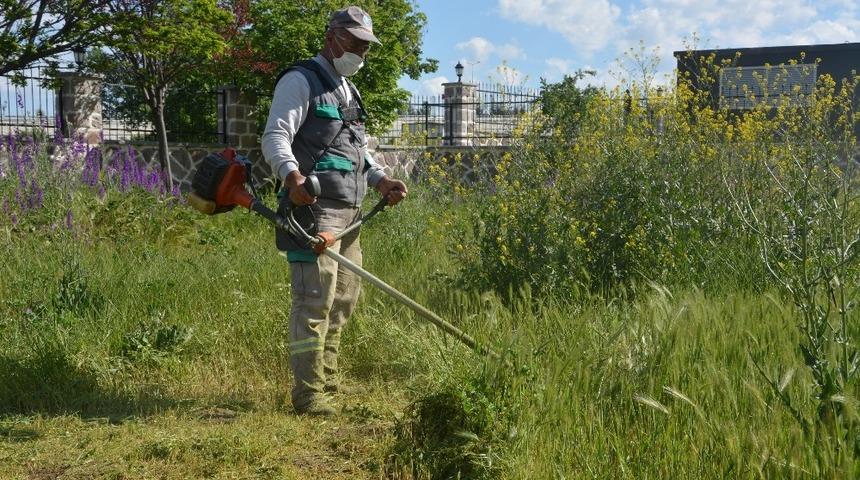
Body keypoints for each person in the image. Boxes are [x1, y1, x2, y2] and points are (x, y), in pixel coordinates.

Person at [262, 6, 407, 416]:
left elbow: (358, 150)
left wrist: (381, 179)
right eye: (355, 42)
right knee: (314, 301)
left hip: (351, 213)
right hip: (315, 213)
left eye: (366, 45)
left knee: (343, 300)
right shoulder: (300, 80)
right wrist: (292, 179)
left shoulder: (349, 90)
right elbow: (276, 136)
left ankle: (327, 380)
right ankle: (309, 394)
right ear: (332, 37)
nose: (361, 51)